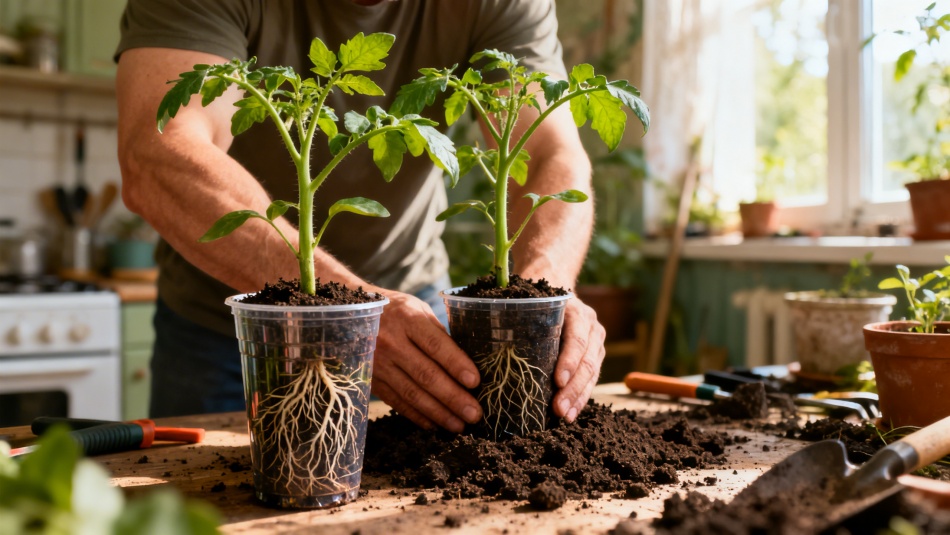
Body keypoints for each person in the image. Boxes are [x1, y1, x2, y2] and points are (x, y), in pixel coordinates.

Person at [114, 0, 606, 432]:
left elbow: (548, 152)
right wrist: (351, 314)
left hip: (417, 326)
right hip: (235, 333)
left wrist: (544, 292)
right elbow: (158, 152)